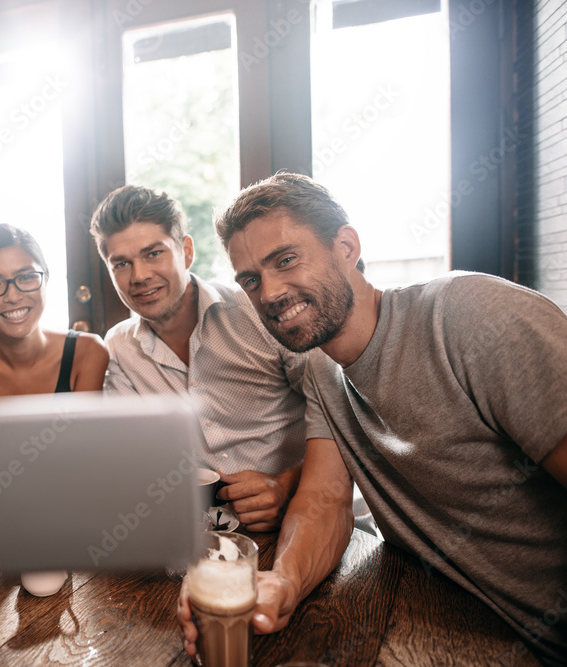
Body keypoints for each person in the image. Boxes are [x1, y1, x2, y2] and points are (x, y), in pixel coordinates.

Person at [179, 172, 567, 664]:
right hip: (449, 627)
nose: (270, 292)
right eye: (251, 280)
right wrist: (282, 582)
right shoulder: (322, 370)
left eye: (286, 260)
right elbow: (323, 498)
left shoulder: (470, 315)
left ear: (346, 246)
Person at [89, 185, 315, 531]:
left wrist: (288, 485)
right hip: (196, 536)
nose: (139, 276)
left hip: (302, 518)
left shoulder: (259, 309)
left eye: (153, 253)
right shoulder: (118, 348)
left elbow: (339, 417)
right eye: (121, 263)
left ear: (186, 251)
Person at [0, 224, 109, 401]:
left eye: (26, 277)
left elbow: (84, 430)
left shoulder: (87, 352)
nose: (13, 297)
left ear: (45, 279)